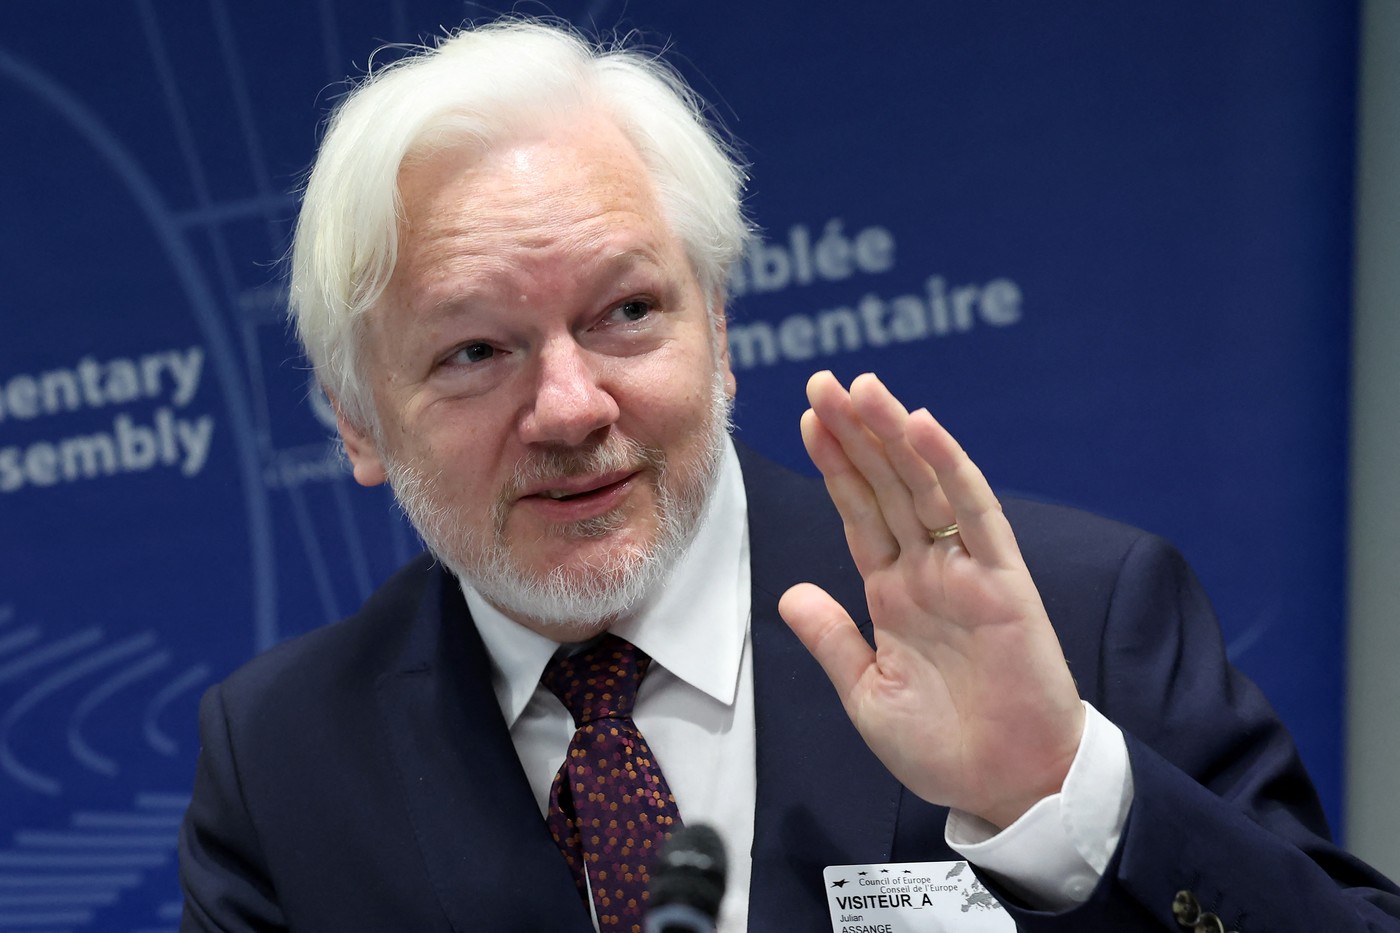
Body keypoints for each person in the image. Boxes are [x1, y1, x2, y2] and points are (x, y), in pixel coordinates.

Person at [178, 17, 1400, 933]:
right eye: (473, 352)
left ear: (716, 322)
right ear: (356, 419)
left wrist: (1061, 793)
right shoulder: (284, 763)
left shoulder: (1080, 616)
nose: (568, 406)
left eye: (626, 311)